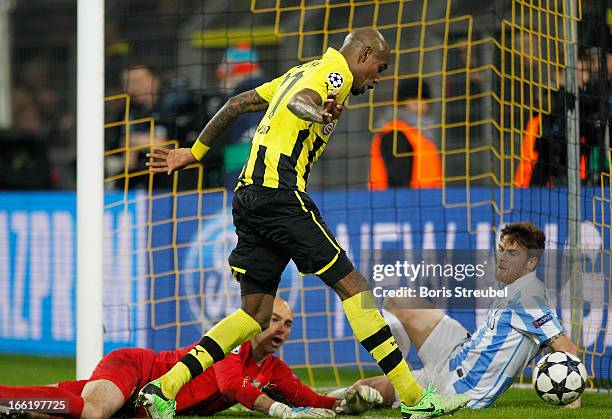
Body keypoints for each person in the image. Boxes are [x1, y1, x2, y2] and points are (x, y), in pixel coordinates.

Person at [142, 28, 470, 419]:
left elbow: (234, 104)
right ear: (364, 53)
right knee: (354, 287)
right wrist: (319, 112)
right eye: (379, 67)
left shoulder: (299, 70)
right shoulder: (336, 74)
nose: (377, 78)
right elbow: (303, 103)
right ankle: (416, 400)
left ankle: (164, 388)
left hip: (248, 196)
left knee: (254, 315)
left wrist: (194, 153)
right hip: (280, 194)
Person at [336, 222, 581, 409]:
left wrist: (570, 397)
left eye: (512, 254)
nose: (502, 258)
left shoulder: (529, 297)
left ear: (531, 263)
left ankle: (396, 378)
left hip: (456, 388)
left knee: (365, 389)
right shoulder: (516, 287)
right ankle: (398, 363)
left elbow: (566, 349)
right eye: (501, 250)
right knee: (398, 299)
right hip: (458, 351)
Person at [0, 299, 382, 418]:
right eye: (274, 321)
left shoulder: (273, 369)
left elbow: (308, 401)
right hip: (137, 370)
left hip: (140, 406)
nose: (281, 329)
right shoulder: (232, 344)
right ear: (256, 322)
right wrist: (280, 412)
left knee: (56, 406)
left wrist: (349, 402)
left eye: (288, 325)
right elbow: (231, 384)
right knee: (94, 412)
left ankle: (11, 402)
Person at [368, 79, 442, 189]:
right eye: (413, 99)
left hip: (424, 200)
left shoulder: (422, 132)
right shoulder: (395, 132)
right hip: (401, 201)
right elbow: (398, 176)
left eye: (423, 99)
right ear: (402, 102)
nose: (420, 104)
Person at [215, 43, 268, 188]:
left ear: (240, 73)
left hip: (239, 187)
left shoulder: (234, 105)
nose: (222, 83)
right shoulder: (276, 94)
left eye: (226, 76)